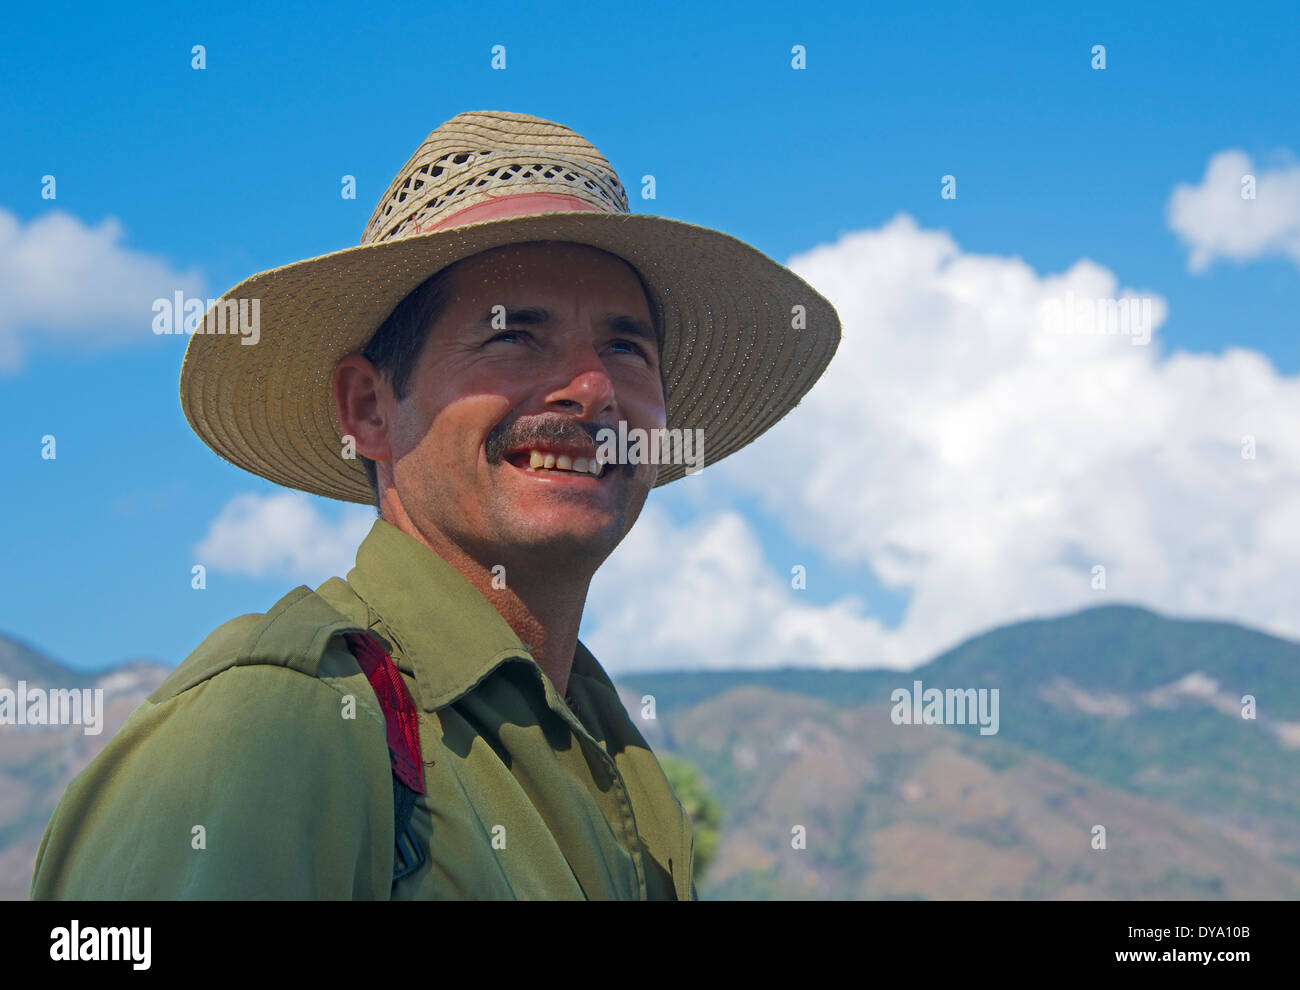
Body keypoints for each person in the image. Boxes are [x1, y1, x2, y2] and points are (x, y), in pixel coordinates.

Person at [29, 110, 840, 900]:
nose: (593, 390)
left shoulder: (610, 758)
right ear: (370, 410)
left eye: (626, 348)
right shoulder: (284, 720)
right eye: (513, 335)